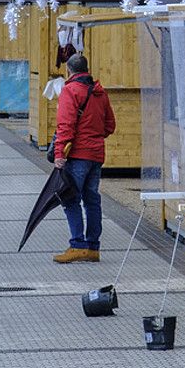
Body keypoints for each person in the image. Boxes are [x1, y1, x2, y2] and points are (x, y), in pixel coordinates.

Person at [51, 55, 116, 263]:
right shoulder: (100, 92)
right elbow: (110, 126)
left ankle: (77, 245)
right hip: (96, 154)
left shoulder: (70, 91)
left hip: (77, 154)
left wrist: (60, 154)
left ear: (69, 71)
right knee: (92, 200)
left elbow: (65, 125)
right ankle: (93, 247)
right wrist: (94, 138)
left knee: (70, 198)